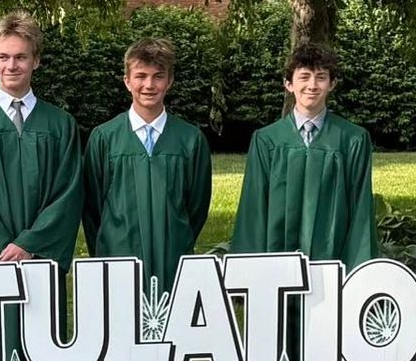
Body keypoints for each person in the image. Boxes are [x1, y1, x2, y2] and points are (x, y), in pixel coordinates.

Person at [0, 11, 82, 271]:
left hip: (40, 258)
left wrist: (29, 243)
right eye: (4, 57)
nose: (11, 66)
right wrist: (4, 247)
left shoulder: (61, 125)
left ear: (36, 61)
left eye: (21, 57)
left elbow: (68, 193)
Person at [81, 37, 212, 295]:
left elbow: (196, 206)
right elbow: (92, 207)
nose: (149, 85)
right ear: (127, 81)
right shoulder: (105, 138)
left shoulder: (190, 140)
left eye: (158, 76)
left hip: (173, 258)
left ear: (170, 81)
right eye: (140, 76)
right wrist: (109, 244)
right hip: (118, 257)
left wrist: (175, 236)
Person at [230, 44, 375, 267]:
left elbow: (361, 211)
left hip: (333, 263)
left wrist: (357, 271)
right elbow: (254, 209)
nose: (312, 85)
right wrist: (248, 272)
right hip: (276, 266)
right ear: (288, 84)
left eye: (321, 77)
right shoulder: (267, 140)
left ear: (332, 84)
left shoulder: (352, 140)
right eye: (304, 77)